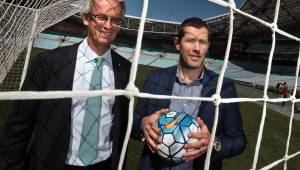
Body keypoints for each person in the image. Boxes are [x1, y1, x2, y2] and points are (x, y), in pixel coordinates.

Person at [0, 0, 131, 169]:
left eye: (115, 20)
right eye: (101, 17)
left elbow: (123, 120)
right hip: (54, 163)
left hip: (103, 164)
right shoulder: (49, 62)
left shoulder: (125, 69)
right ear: (86, 18)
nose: (108, 25)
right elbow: (19, 125)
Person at [132, 17, 246, 170]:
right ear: (177, 43)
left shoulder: (223, 87)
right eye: (190, 40)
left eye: (203, 42)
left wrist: (214, 143)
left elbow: (238, 140)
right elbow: (134, 121)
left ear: (208, 46)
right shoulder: (155, 78)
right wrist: (142, 124)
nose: (197, 48)